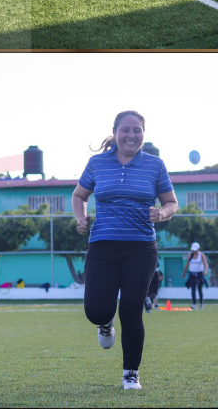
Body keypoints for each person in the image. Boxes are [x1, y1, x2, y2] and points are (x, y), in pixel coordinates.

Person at [72, 110, 178, 391]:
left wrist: (162, 213)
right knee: (96, 310)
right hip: (103, 246)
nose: (132, 135)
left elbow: (171, 202)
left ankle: (131, 373)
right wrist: (81, 218)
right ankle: (105, 323)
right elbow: (79, 196)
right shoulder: (97, 163)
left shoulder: (155, 165)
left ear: (144, 133)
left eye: (137, 130)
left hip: (141, 248)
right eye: (126, 130)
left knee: (131, 310)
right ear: (116, 132)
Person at [181, 241, 207, 310]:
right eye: (193, 250)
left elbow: (205, 264)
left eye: (195, 250)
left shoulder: (201, 255)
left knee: (200, 289)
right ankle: (194, 304)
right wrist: (184, 273)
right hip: (192, 274)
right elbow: (187, 264)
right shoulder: (190, 255)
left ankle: (201, 304)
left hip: (199, 274)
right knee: (193, 289)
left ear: (198, 249)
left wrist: (206, 270)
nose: (194, 251)